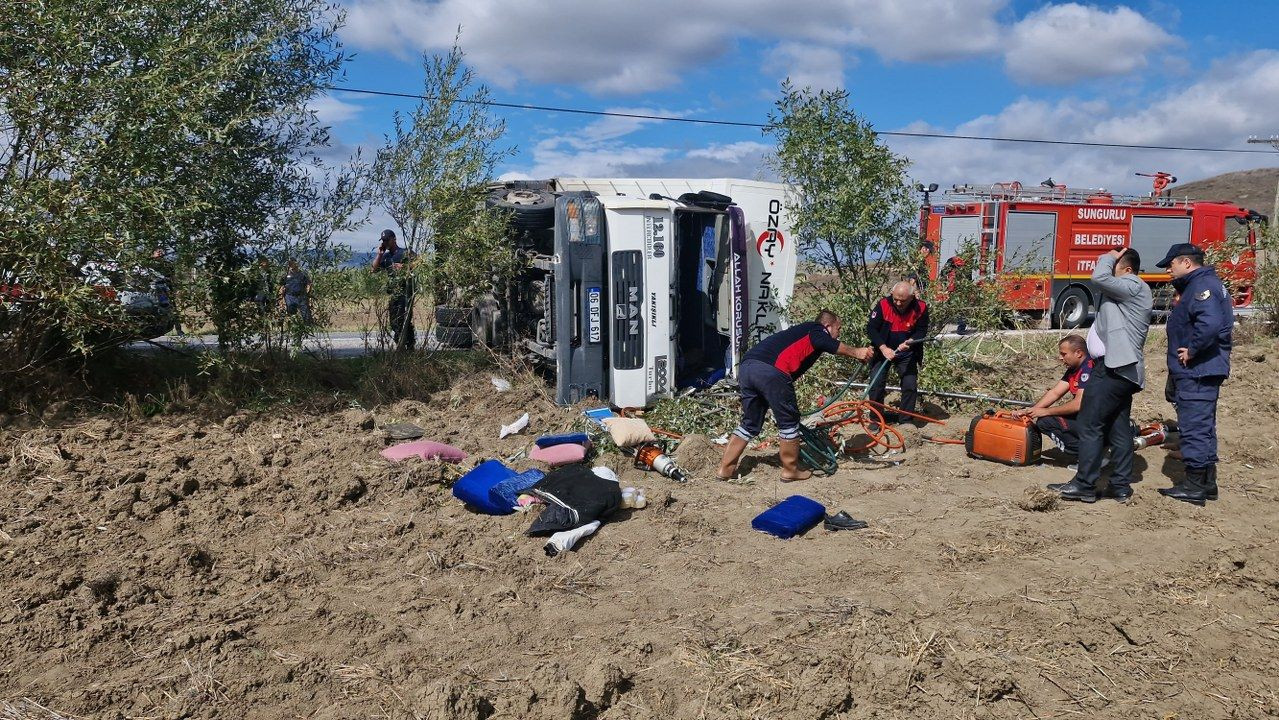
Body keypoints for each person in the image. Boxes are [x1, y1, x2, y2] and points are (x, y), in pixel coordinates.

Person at [716, 310, 874, 482]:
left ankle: (725, 469)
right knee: (789, 421)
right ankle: (790, 470)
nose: (839, 334)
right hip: (772, 371)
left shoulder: (800, 332)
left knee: (750, 423)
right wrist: (857, 352)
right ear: (828, 326)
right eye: (838, 329)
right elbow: (823, 341)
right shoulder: (816, 329)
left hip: (748, 368)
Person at [1049, 247, 1152, 503]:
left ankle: (1084, 484)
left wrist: (1108, 257)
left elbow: (1100, 279)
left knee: (1089, 424)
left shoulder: (1134, 285)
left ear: (1127, 270)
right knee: (1118, 430)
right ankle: (1120, 486)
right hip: (1117, 368)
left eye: (1114, 267)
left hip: (1115, 369)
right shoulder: (1125, 293)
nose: (1107, 270)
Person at [1155, 243, 1232, 505]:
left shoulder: (1201, 287)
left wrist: (1192, 351)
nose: (1168, 269)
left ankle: (1194, 487)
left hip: (1198, 371)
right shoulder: (1204, 284)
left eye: (1171, 264)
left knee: (1194, 428)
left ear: (1186, 263)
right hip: (1203, 370)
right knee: (1204, 427)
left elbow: (1209, 324)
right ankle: (1207, 484)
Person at [1012, 334, 1094, 459]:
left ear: (1078, 353)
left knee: (1046, 422)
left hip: (1096, 422)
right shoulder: (1074, 369)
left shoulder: (1088, 369)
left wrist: (1045, 411)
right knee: (1046, 418)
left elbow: (1078, 404)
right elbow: (1055, 393)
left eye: (1064, 354)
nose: (1060, 358)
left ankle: (1090, 457)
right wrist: (1029, 411)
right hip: (1086, 417)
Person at [866, 281, 929, 422]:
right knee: (876, 385)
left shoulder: (921, 307)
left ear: (912, 297)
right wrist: (883, 348)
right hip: (882, 351)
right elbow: (871, 328)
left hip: (906, 352)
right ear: (891, 294)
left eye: (903, 301)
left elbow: (922, 330)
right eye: (896, 299)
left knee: (910, 385)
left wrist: (911, 341)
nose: (898, 303)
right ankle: (876, 420)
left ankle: (905, 421)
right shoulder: (883, 305)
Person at [371, 229, 415, 350]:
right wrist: (379, 254)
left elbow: (419, 263)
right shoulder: (385, 257)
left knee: (404, 320)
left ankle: (409, 346)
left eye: (386, 240)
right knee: (394, 322)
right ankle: (401, 344)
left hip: (405, 292)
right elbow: (373, 270)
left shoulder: (405, 252)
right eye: (383, 241)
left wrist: (404, 267)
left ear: (393, 239)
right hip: (393, 294)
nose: (385, 243)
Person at [279, 259, 313, 325]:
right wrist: (281, 298)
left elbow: (309, 284)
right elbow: (281, 286)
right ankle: (292, 327)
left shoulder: (303, 274)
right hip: (290, 296)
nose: (290, 264)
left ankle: (305, 328)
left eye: (292, 263)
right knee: (291, 312)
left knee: (306, 316)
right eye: (289, 263)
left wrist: (308, 293)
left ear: (296, 263)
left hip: (301, 296)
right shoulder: (285, 275)